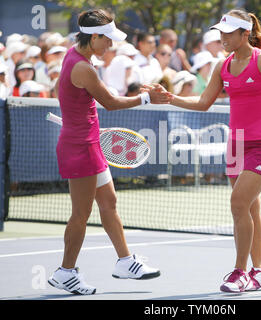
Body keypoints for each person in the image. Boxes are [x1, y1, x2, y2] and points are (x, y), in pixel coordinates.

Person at [158, 8, 261, 293]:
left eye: (228, 33)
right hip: (235, 144)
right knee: (249, 208)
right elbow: (203, 103)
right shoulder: (222, 66)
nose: (223, 37)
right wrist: (170, 98)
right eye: (221, 33)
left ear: (245, 34)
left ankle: (240, 272)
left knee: (238, 204)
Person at [47, 9, 171, 295]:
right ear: (94, 37)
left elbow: (62, 90)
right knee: (81, 214)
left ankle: (125, 261)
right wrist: (146, 99)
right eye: (108, 40)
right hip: (80, 148)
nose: (111, 45)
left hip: (88, 142)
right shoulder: (83, 67)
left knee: (110, 202)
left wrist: (76, 114)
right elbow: (111, 103)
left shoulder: (75, 56)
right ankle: (66, 272)